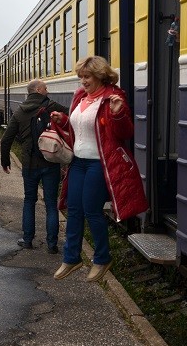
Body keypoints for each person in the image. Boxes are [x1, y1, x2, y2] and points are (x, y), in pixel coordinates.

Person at [51, 56, 147, 282]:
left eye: (87, 77)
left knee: (92, 211)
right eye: (80, 77)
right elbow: (80, 129)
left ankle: (102, 259)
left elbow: (124, 133)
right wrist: (64, 120)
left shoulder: (112, 98)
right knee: (72, 209)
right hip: (78, 162)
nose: (82, 81)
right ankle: (71, 258)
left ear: (100, 76)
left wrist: (118, 113)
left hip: (97, 163)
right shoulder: (79, 97)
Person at [0, 79, 68, 254]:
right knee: (51, 204)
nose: (47, 90)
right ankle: (52, 244)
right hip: (50, 162)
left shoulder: (20, 111)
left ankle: (28, 240)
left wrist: (5, 161)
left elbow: (6, 139)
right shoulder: (52, 106)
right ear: (38, 90)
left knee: (29, 201)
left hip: (29, 164)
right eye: (45, 87)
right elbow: (70, 117)